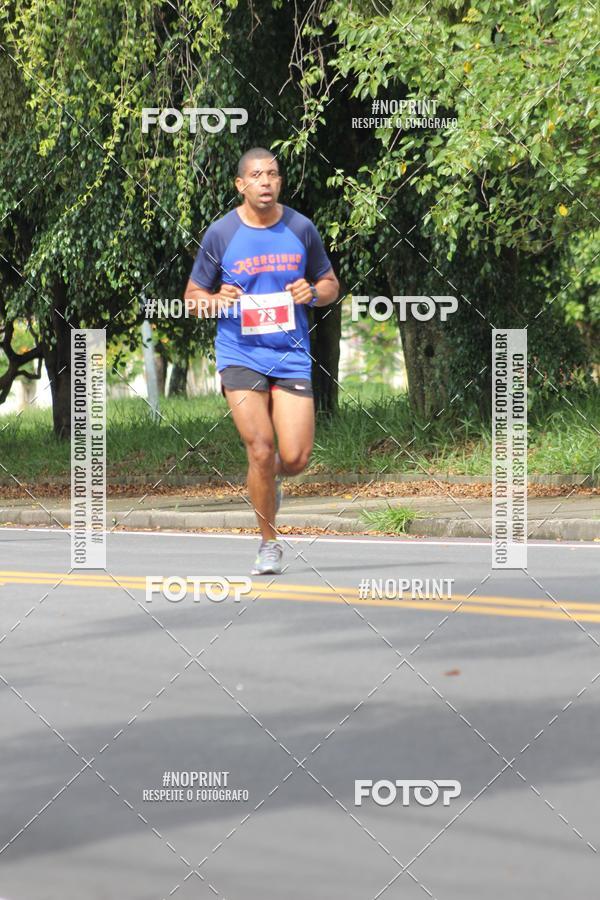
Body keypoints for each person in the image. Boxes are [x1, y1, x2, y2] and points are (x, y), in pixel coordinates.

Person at [184, 147, 340, 574]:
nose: (266, 182)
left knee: (295, 459)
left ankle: (267, 483)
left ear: (280, 182)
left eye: (272, 174)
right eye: (256, 175)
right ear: (241, 184)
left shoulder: (300, 227)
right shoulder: (221, 233)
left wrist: (314, 292)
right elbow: (192, 298)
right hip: (241, 354)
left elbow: (330, 284)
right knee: (259, 447)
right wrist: (215, 300)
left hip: (290, 355)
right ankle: (268, 542)